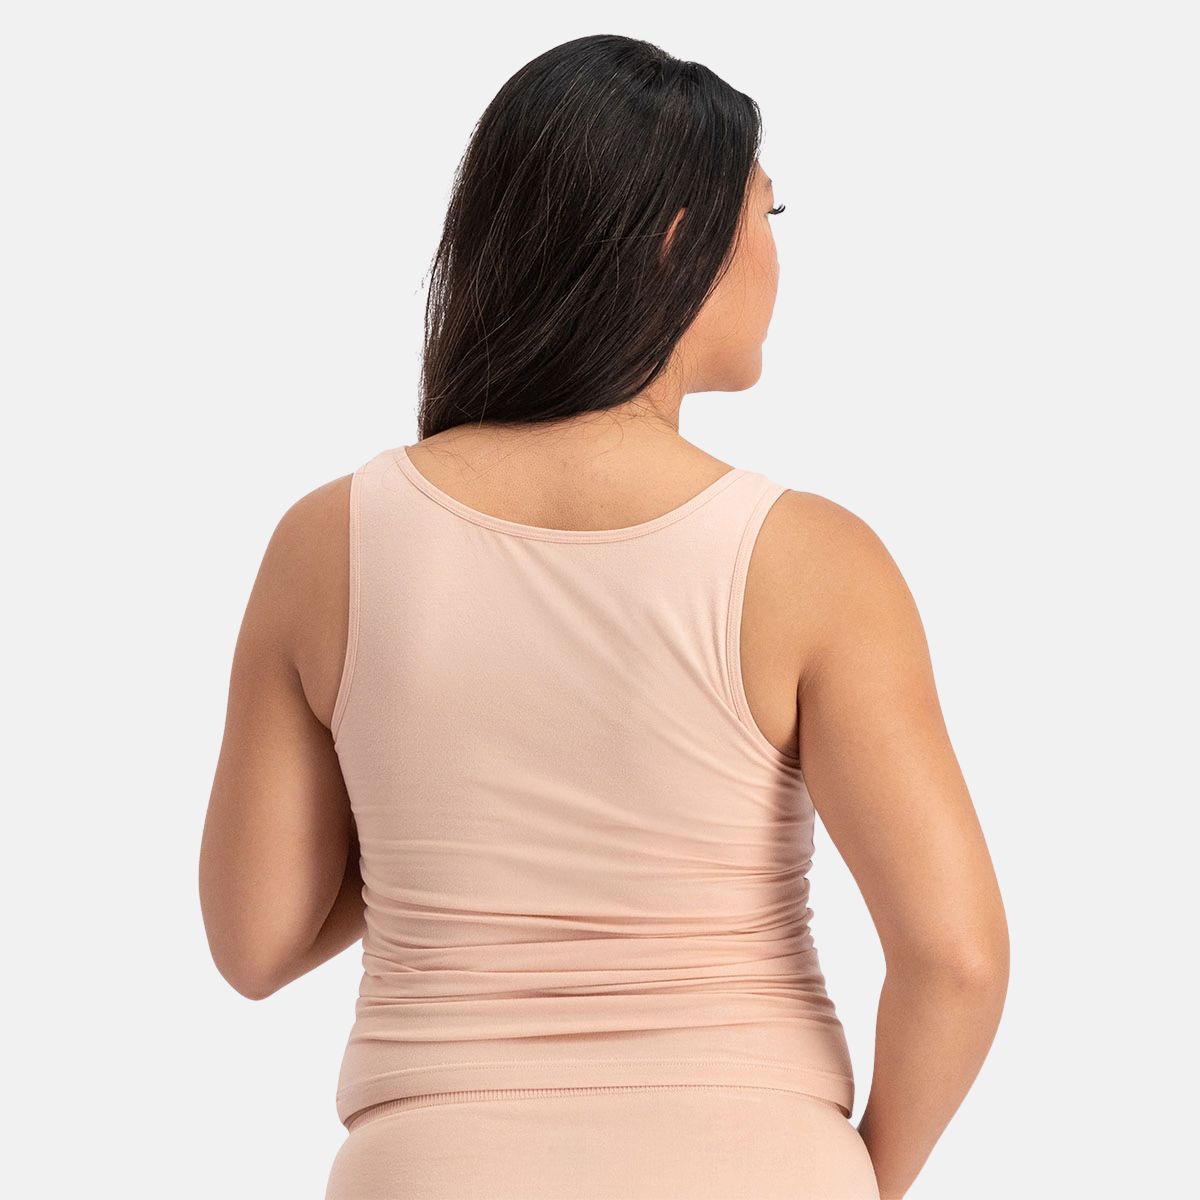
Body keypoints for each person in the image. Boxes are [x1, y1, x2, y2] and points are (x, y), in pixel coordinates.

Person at [199, 33, 1009, 1200]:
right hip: (757, 1164)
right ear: (680, 242)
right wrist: (851, 1179)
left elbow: (256, 943)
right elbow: (958, 958)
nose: (778, 257)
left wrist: (444, 819)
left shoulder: (329, 545)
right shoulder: (813, 561)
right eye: (768, 216)